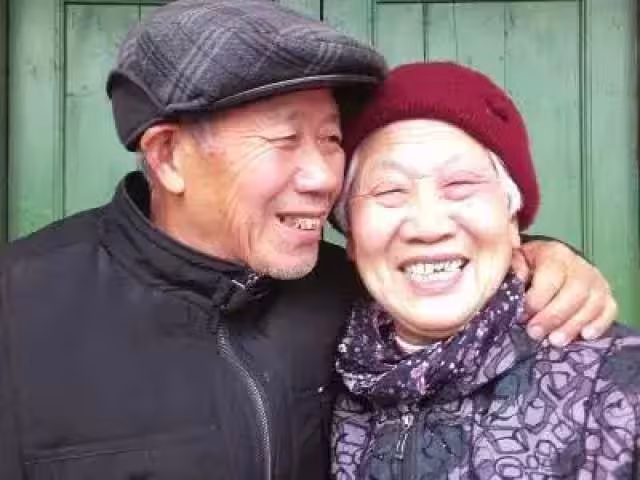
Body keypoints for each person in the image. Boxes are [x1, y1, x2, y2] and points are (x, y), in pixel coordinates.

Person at [0, 1, 616, 479]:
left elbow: (446, 267)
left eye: (330, 139)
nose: (324, 178)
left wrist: (540, 257)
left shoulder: (356, 297)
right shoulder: (21, 312)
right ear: (168, 156)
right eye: (285, 140)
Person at [331, 62, 638, 479]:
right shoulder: (317, 365)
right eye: (389, 191)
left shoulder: (616, 383)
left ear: (513, 221)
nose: (428, 226)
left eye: (460, 185)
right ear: (351, 234)